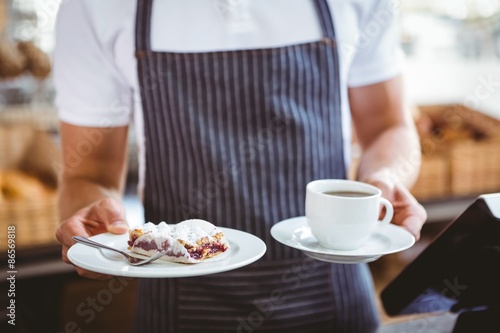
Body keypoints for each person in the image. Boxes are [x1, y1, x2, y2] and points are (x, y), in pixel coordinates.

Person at [54, 0, 427, 332]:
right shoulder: (94, 6)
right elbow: (89, 171)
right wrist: (92, 223)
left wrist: (385, 179)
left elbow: (388, 126)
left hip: (334, 298)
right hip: (178, 304)